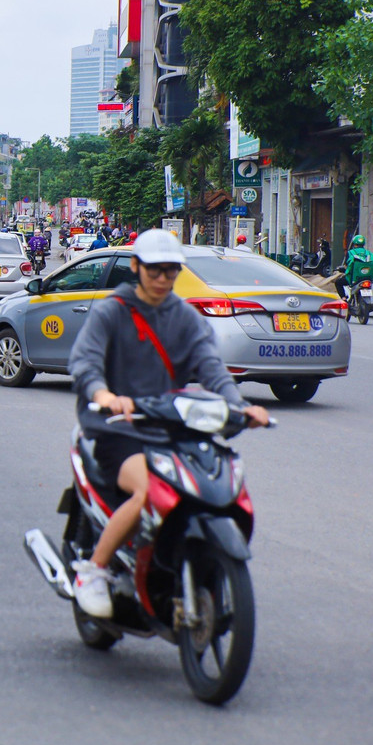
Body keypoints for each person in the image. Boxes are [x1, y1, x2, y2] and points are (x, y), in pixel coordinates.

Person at [67, 229, 270, 619]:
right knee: (146, 490)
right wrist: (104, 396)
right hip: (117, 428)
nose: (162, 279)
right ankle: (93, 571)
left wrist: (238, 405)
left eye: (170, 272)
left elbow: (210, 367)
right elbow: (85, 362)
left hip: (169, 425)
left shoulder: (184, 317)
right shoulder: (112, 310)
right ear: (136, 267)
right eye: (155, 271)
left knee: (209, 479)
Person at [334, 234, 373, 301]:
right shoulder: (369, 253)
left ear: (354, 244)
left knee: (338, 282)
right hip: (368, 278)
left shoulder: (351, 253)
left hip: (353, 279)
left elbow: (348, 266)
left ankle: (344, 298)